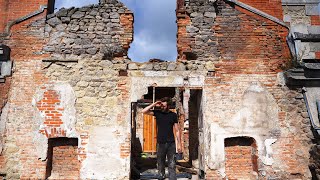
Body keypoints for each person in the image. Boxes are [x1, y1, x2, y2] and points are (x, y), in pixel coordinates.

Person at [142, 97, 182, 180]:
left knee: (172, 164)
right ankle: (161, 177)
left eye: (163, 105)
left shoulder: (173, 115)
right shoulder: (158, 113)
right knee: (160, 164)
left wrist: (179, 145)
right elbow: (144, 111)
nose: (161, 106)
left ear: (168, 105)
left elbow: (177, 130)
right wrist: (154, 103)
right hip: (160, 143)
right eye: (161, 105)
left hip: (171, 143)